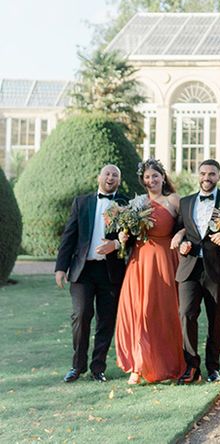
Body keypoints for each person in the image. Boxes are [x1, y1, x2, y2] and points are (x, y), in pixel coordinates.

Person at [55, 164, 127, 383]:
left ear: (119, 180)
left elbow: (133, 237)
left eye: (115, 175)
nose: (111, 177)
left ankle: (98, 367)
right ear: (99, 177)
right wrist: (60, 267)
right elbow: (69, 235)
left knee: (106, 320)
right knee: (80, 315)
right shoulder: (82, 202)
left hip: (110, 271)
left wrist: (115, 243)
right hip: (83, 270)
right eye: (107, 173)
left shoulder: (125, 205)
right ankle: (77, 366)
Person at [115, 159, 185, 383]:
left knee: (161, 312)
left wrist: (180, 234)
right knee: (138, 311)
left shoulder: (173, 200)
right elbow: (130, 229)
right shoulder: (139, 202)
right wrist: (123, 235)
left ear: (163, 177)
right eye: (147, 177)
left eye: (155, 176)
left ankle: (165, 363)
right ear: (142, 180)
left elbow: (187, 224)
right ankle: (138, 364)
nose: (151, 180)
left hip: (164, 259)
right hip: (140, 260)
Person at [172, 159, 220, 384]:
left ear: (218, 176)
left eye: (211, 174)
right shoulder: (186, 202)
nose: (206, 178)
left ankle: (213, 367)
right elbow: (180, 229)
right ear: (198, 175)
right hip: (189, 267)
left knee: (215, 319)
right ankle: (191, 366)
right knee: (186, 315)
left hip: (218, 268)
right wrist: (181, 243)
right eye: (203, 173)